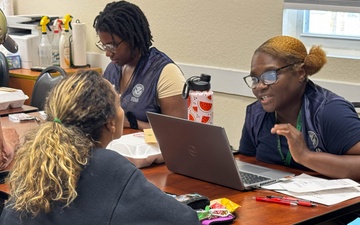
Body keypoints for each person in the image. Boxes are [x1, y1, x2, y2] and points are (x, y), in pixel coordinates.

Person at [0, 70, 200, 225]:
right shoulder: (105, 165)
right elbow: (185, 220)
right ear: (110, 122)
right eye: (119, 103)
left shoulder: (36, 162)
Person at [239, 35, 360, 180]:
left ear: (300, 73)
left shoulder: (331, 112)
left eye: (270, 75)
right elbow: (246, 162)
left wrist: (305, 156)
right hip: (271, 198)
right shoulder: (255, 114)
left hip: (331, 201)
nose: (260, 86)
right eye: (255, 79)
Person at [93, 1, 187, 130]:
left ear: (132, 38)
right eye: (104, 46)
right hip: (118, 146)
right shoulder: (112, 69)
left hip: (153, 149)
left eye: (112, 46)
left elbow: (178, 131)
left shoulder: (165, 72)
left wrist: (132, 123)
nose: (108, 53)